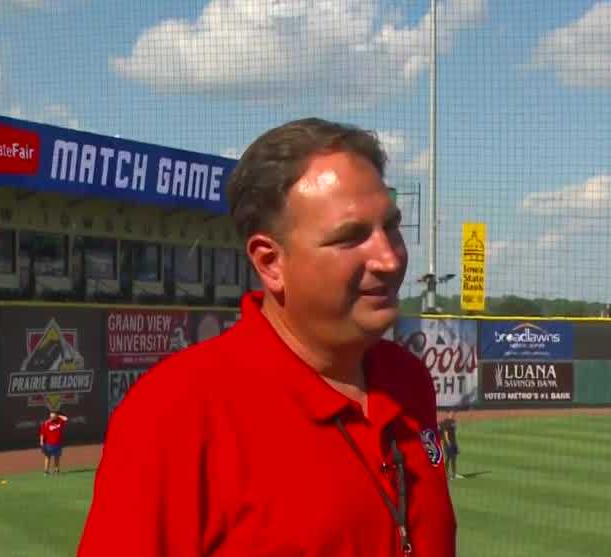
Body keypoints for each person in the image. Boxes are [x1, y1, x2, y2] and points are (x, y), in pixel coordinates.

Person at [78, 118, 456, 556]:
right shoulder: (175, 411)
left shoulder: (407, 379)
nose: (389, 259)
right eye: (351, 237)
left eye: (390, 227)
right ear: (270, 261)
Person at [39, 410, 68, 475]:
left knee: (57, 457)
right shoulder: (46, 423)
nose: (52, 416)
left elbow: (66, 418)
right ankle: (46, 471)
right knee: (47, 457)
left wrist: (58, 415)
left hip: (58, 443)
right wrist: (41, 442)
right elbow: (42, 434)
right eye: (51, 415)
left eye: (54, 415)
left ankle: (56, 470)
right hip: (48, 444)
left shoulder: (60, 421)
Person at [438, 409, 464, 480]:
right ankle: (446, 474)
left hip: (453, 442)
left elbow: (453, 433)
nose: (453, 415)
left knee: (454, 458)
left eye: (454, 413)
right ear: (448, 414)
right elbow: (445, 433)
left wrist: (456, 444)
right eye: (451, 413)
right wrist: (448, 442)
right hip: (448, 443)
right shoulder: (445, 422)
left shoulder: (454, 422)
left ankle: (454, 474)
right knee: (448, 459)